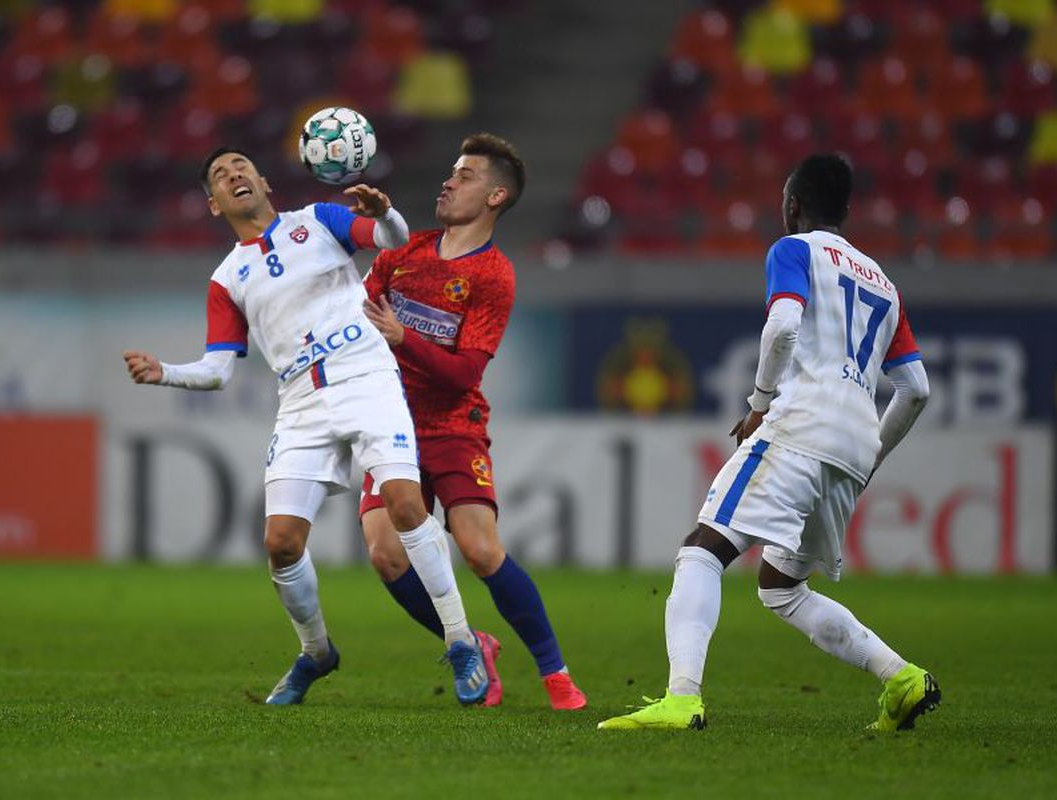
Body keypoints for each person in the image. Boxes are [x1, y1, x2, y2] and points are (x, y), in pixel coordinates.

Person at [122, 147, 489, 706]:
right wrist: (164, 373)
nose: (233, 175)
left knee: (406, 504)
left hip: (364, 373)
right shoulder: (227, 279)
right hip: (299, 398)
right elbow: (219, 369)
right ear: (214, 205)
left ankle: (462, 641)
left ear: (264, 181)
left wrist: (385, 211)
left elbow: (392, 237)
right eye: (220, 176)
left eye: (241, 166)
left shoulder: (319, 221)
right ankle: (316, 652)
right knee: (281, 544)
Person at [599, 154, 938, 732]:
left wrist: (759, 403)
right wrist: (870, 455)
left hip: (801, 426)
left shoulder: (794, 250)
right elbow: (916, 390)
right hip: (853, 447)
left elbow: (782, 325)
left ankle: (682, 698)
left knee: (703, 550)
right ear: (847, 211)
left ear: (793, 207)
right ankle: (901, 677)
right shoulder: (885, 283)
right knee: (782, 587)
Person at [359, 133, 587, 710]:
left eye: (464, 175)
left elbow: (463, 375)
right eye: (450, 172)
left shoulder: (492, 277)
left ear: (496, 195)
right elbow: (353, 321)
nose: (448, 181)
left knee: (480, 550)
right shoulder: (399, 255)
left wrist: (403, 336)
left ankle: (555, 674)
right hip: (389, 426)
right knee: (386, 554)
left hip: (452, 426)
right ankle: (467, 643)